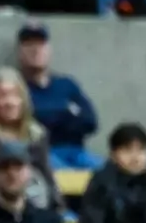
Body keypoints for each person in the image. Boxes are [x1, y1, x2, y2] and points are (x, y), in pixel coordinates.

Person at [13, 23, 98, 171]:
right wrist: (66, 110)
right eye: (29, 44)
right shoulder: (16, 87)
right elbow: (26, 123)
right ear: (20, 52)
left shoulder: (67, 84)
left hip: (77, 152)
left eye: (40, 44)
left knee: (107, 172)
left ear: (49, 49)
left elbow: (90, 121)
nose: (35, 49)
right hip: (40, 154)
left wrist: (45, 114)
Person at [0, 70, 58, 212]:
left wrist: (57, 204)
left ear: (23, 99)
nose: (9, 102)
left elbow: (46, 173)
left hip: (36, 199)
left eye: (14, 94)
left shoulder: (37, 133)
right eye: (2, 95)